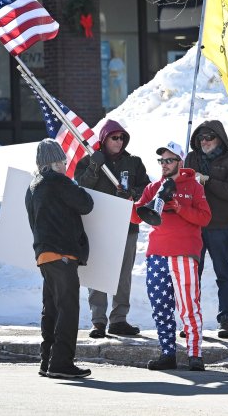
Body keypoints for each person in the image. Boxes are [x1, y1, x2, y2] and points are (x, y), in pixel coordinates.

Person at [131, 141, 211, 371]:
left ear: (180, 161)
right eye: (161, 160)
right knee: (160, 305)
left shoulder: (194, 187)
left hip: (184, 252)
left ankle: (194, 354)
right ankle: (168, 353)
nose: (164, 164)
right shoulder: (153, 187)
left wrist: (178, 206)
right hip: (157, 253)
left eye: (169, 160)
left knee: (188, 305)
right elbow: (136, 217)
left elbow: (205, 218)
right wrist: (129, 200)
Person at [25, 139, 94, 378]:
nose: (66, 166)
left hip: (44, 254)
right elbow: (86, 204)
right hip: (63, 253)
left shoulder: (32, 187)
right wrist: (73, 184)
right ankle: (61, 363)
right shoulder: (58, 181)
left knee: (51, 308)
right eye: (63, 161)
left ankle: (47, 361)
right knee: (68, 308)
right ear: (54, 163)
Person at [74, 119, 149, 338]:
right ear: (104, 139)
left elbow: (147, 189)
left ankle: (119, 320)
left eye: (122, 138)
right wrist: (94, 167)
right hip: (98, 226)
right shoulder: (88, 161)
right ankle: (98, 321)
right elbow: (80, 188)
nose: (119, 141)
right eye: (114, 138)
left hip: (127, 226)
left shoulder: (134, 162)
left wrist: (131, 194)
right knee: (98, 272)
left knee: (123, 275)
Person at [184, 120, 228, 338]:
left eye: (209, 137)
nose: (205, 141)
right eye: (201, 138)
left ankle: (226, 319)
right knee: (192, 276)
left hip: (219, 227)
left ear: (220, 138)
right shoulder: (191, 159)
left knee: (222, 274)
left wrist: (208, 180)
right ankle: (191, 321)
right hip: (194, 226)